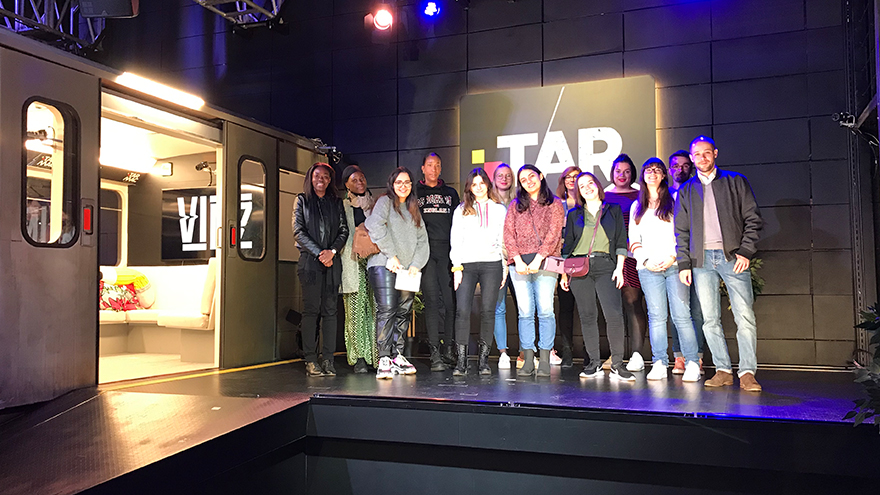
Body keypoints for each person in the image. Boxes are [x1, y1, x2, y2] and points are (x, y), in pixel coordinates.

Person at [676, 136, 763, 392]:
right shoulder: (686, 190)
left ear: (715, 153)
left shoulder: (735, 181)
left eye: (706, 153)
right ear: (691, 158)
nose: (702, 158)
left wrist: (746, 251)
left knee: (744, 316)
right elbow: (680, 231)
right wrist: (684, 264)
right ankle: (723, 370)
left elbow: (753, 218)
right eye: (697, 154)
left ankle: (747, 372)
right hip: (701, 262)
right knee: (709, 319)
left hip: (732, 257)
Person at [629, 158, 701, 382]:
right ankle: (660, 361)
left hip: (675, 265)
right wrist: (646, 260)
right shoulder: (636, 205)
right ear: (642, 175)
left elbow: (683, 232)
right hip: (648, 267)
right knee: (657, 317)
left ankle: (691, 362)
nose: (652, 174)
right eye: (648, 170)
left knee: (681, 316)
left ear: (663, 175)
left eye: (657, 170)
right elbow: (634, 239)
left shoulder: (675, 198)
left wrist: (673, 257)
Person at [560, 172, 633, 381]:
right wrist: (564, 273)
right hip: (579, 267)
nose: (587, 188)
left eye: (590, 183)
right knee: (587, 316)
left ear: (597, 185)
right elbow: (567, 246)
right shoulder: (574, 215)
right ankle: (594, 363)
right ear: (579, 192)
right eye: (581, 186)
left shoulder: (613, 210)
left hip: (606, 265)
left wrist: (619, 268)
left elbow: (621, 241)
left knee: (614, 315)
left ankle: (618, 364)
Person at [365, 167, 429, 379]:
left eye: (408, 182)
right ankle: (384, 357)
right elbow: (374, 226)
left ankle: (397, 355)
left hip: (407, 270)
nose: (404, 186)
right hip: (384, 264)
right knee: (387, 309)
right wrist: (391, 255)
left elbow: (423, 240)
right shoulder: (384, 202)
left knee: (403, 312)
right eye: (399, 182)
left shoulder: (413, 207)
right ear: (392, 184)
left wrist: (416, 264)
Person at [503, 164, 565, 377]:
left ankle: (545, 358)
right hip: (518, 265)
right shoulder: (515, 205)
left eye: (532, 176)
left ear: (541, 176)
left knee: (546, 311)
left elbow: (554, 234)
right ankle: (528, 358)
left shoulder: (555, 204)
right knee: (525, 312)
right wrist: (518, 260)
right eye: (523, 179)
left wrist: (539, 257)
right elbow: (508, 235)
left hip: (545, 262)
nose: (528, 181)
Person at [292, 162, 349, 377]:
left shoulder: (336, 202)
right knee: (311, 311)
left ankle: (328, 359)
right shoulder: (302, 200)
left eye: (326, 176)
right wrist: (320, 253)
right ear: (310, 177)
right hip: (310, 263)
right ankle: (310, 359)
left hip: (332, 262)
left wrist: (331, 252)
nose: (321, 179)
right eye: (317, 175)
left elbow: (343, 231)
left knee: (331, 312)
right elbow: (298, 232)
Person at [449, 168, 507, 376]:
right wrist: (456, 267)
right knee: (462, 311)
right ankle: (461, 361)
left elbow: (504, 240)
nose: (479, 187)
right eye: (474, 184)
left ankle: (483, 360)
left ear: (488, 185)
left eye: (482, 183)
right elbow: (455, 240)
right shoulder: (461, 210)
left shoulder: (499, 209)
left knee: (488, 312)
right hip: (466, 265)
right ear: (469, 188)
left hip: (492, 264)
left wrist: (504, 266)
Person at [415, 152, 461, 370]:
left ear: (441, 169)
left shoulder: (451, 194)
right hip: (425, 252)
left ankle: (449, 349)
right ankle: (434, 353)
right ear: (423, 168)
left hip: (448, 253)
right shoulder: (415, 192)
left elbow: (460, 224)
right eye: (429, 165)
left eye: (437, 165)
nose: (433, 169)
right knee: (432, 302)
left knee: (451, 303)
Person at [604, 154, 649, 372]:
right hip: (607, 257)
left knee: (632, 302)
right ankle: (616, 355)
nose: (622, 175)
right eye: (618, 171)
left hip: (631, 256)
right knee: (612, 307)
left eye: (627, 171)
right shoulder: (603, 195)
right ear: (612, 174)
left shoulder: (641, 195)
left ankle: (637, 354)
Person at [668, 150, 706, 375]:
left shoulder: (697, 190)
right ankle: (679, 356)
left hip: (698, 257)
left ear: (690, 166)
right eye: (675, 166)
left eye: (684, 165)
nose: (680, 169)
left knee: (698, 310)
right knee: (678, 310)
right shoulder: (664, 195)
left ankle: (697, 357)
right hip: (675, 259)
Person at [338, 165, 378, 374]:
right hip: (352, 262)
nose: (360, 182)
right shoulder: (342, 205)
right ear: (346, 184)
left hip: (373, 261)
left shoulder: (376, 204)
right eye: (354, 180)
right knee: (354, 310)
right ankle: (358, 357)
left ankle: (376, 356)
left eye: (361, 178)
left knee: (375, 309)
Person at [553, 166, 581, 368]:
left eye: (576, 176)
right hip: (560, 259)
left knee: (587, 307)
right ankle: (567, 351)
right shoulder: (556, 204)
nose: (572, 180)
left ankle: (590, 352)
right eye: (568, 177)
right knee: (565, 306)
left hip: (583, 258)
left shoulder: (587, 202)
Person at [492, 164, 517, 369]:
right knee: (498, 307)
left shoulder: (520, 202)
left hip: (519, 261)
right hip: (497, 261)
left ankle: (528, 352)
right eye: (500, 175)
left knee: (525, 308)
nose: (504, 178)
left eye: (508, 176)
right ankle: (503, 353)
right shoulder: (488, 203)